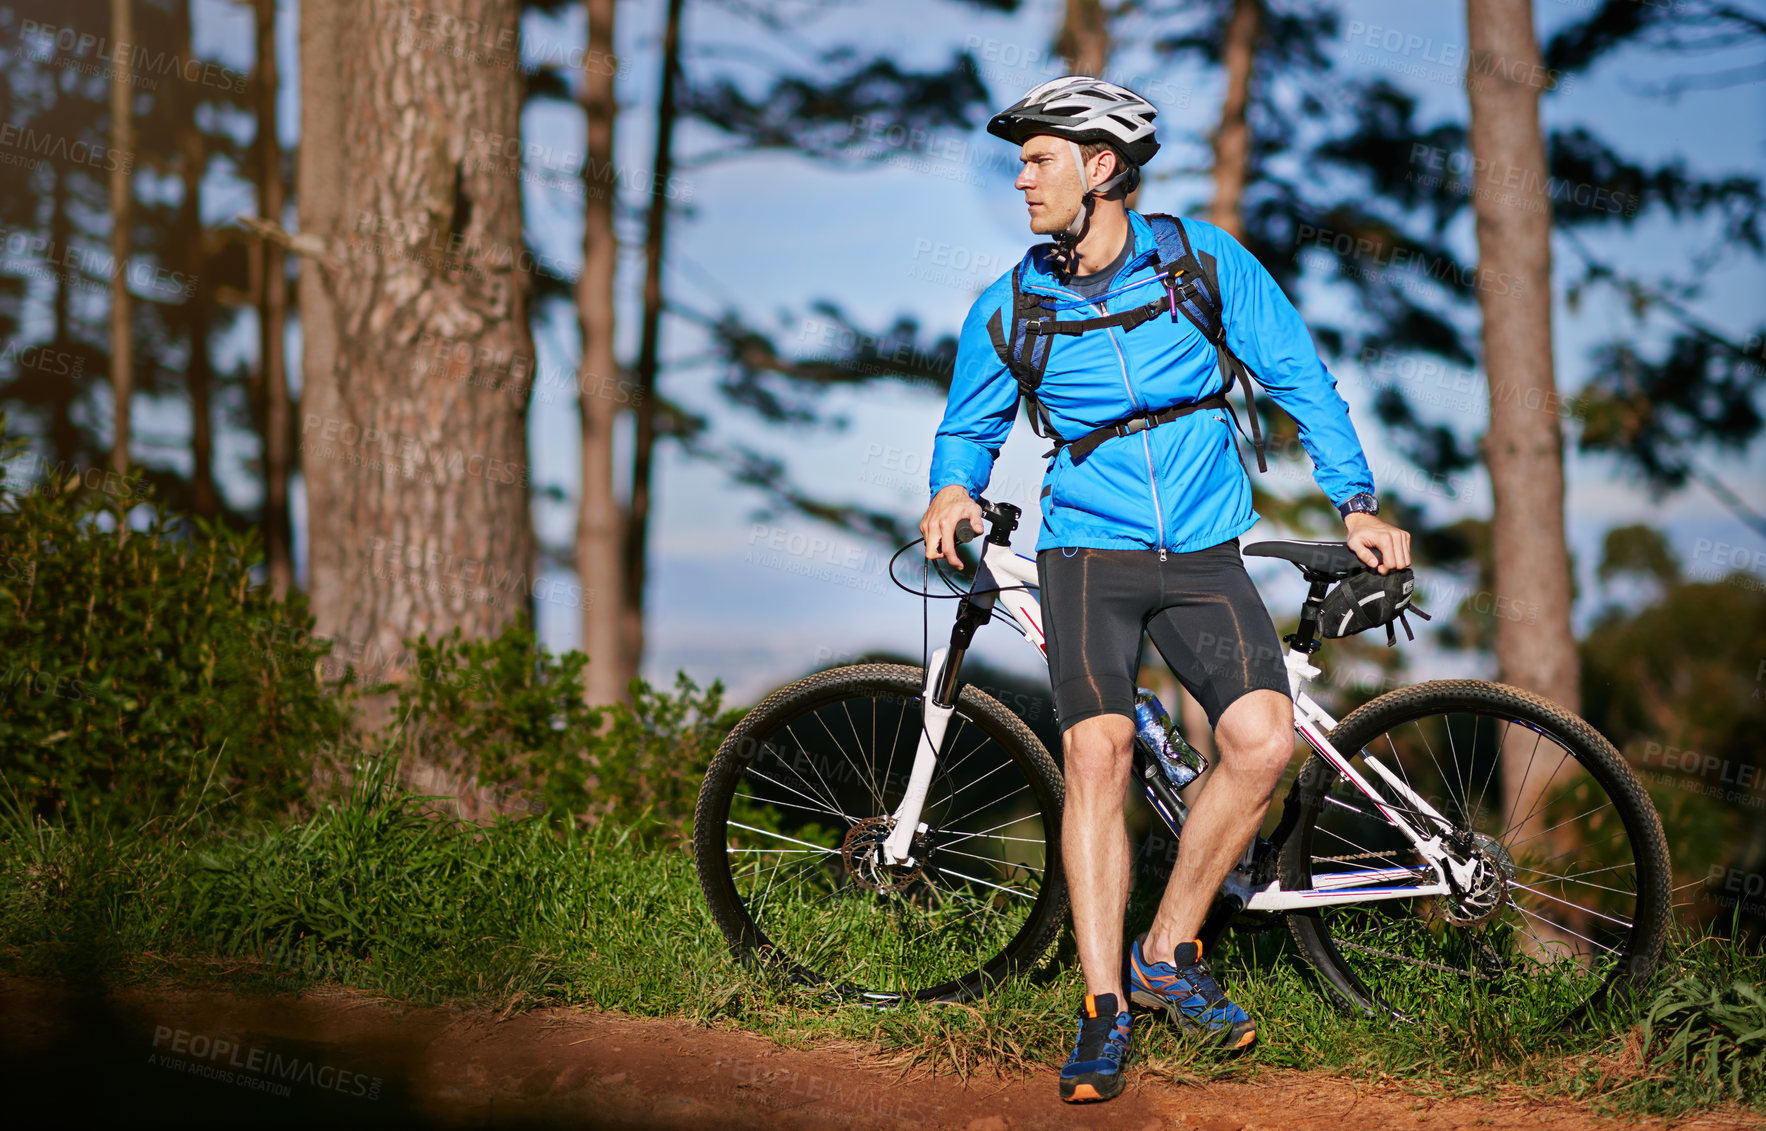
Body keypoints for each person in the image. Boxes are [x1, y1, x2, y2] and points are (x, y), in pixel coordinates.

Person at [918, 76, 1412, 1104]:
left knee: (1260, 743)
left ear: (1099, 169)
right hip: (1086, 558)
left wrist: (1354, 500)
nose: (1020, 178)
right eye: (1019, 161)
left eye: (1038, 158)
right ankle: (1101, 1010)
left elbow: (1297, 377)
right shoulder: (1010, 304)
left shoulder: (1199, 261)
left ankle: (1165, 950)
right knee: (1095, 752)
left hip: (1199, 553)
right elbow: (967, 428)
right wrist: (950, 491)